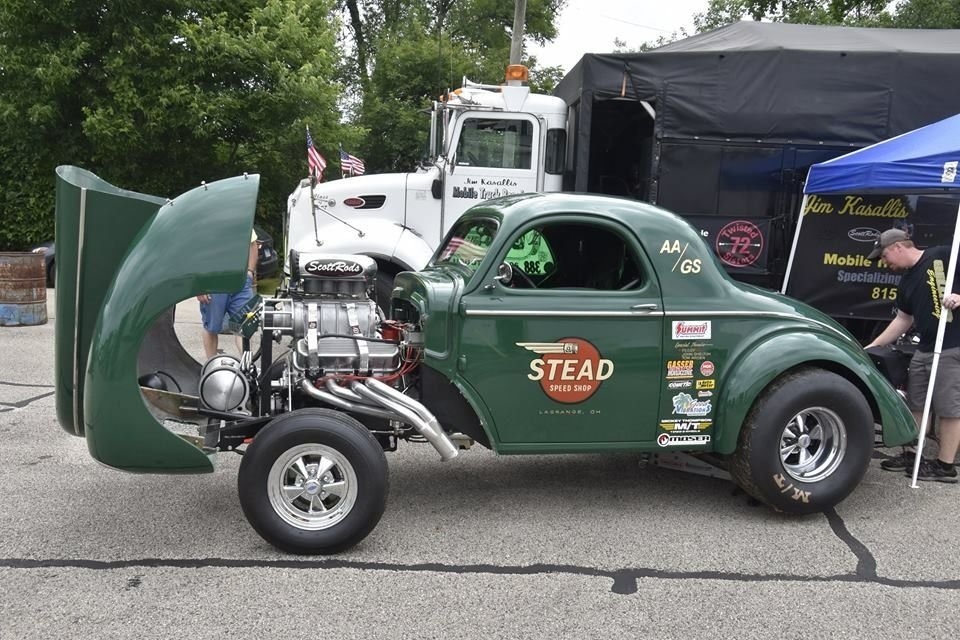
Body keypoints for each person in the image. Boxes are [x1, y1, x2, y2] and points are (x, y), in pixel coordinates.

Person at [864, 229, 960, 483]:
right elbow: (903, 320)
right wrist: (873, 346)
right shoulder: (906, 281)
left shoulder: (943, 255)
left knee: (949, 407)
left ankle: (945, 465)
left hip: (952, 346)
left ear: (898, 247)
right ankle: (914, 454)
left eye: (884, 256)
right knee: (917, 404)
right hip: (925, 348)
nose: (885, 263)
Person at [197, 229, 258, 359]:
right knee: (211, 327)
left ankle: (247, 367)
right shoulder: (205, 221)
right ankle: (211, 366)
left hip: (240, 280)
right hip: (213, 281)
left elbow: (252, 244)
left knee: (244, 327)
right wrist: (200, 285)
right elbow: (197, 251)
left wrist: (250, 271)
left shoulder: (241, 218)